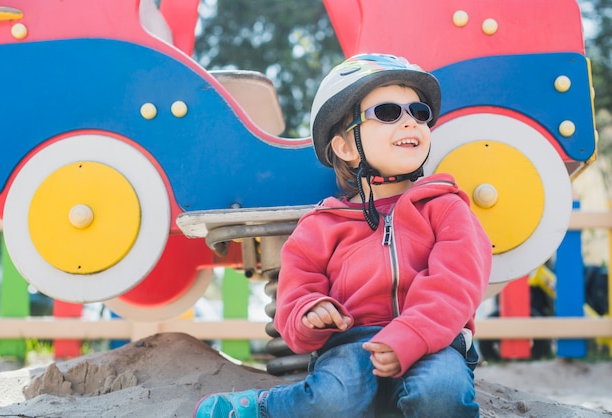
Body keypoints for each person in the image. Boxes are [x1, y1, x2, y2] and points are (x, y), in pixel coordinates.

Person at [194, 53, 493, 418]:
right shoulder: (321, 225)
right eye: (387, 113)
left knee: (441, 394)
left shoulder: (446, 206)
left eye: (419, 112)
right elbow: (295, 293)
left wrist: (410, 336)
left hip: (433, 341)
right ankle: (264, 408)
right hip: (351, 345)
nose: (410, 123)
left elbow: (456, 283)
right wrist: (311, 311)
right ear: (346, 148)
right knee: (333, 400)